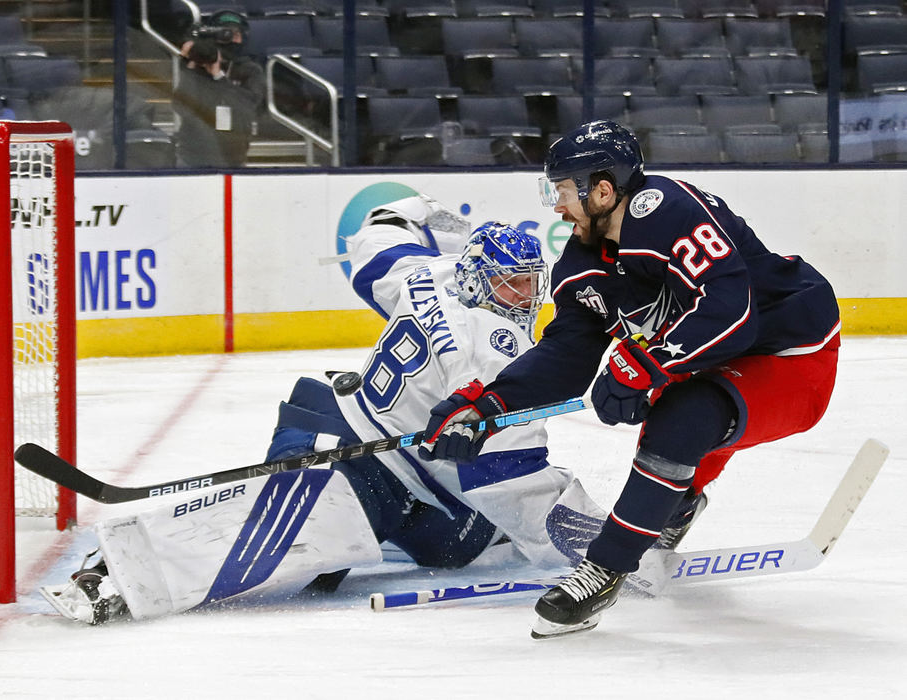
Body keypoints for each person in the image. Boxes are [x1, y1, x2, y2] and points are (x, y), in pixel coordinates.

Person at [40, 195, 610, 625]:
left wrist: (429, 210)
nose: (524, 297)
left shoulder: (423, 274)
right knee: (287, 534)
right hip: (365, 464)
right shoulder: (493, 349)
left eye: (529, 283)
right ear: (476, 278)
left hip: (359, 442)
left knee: (448, 536)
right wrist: (615, 549)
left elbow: (380, 230)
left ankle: (317, 507)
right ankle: (114, 575)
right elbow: (511, 476)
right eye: (509, 284)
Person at [422, 120, 842, 638]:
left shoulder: (664, 208)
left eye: (562, 191)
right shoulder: (582, 260)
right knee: (671, 420)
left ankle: (606, 567)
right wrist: (488, 404)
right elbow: (567, 354)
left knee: (682, 418)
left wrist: (648, 366)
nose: (556, 207)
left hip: (793, 353)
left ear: (601, 190)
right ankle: (677, 504)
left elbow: (733, 312)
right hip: (711, 355)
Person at [172, 10, 266, 168]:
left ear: (243, 37)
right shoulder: (196, 69)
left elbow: (248, 106)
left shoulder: (250, 70)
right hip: (192, 155)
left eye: (234, 34)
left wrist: (218, 76)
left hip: (233, 155)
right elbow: (181, 107)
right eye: (223, 33)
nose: (229, 39)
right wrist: (191, 66)